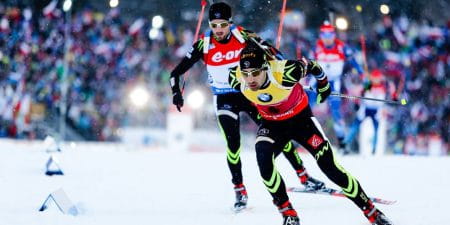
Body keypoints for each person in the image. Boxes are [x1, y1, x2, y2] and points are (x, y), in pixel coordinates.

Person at [169, 2, 324, 212]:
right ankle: (239, 190)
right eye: (214, 25)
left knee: (278, 132)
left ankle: (303, 175)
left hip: (248, 94)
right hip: (224, 99)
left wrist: (286, 74)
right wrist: (177, 93)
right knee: (233, 145)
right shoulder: (203, 45)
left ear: (230, 23)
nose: (219, 30)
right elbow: (175, 73)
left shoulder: (243, 37)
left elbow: (273, 53)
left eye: (223, 24)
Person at [228, 41, 393, 225]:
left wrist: (323, 85)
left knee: (330, 168)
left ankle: (371, 211)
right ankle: (289, 214)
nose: (250, 79)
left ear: (265, 68)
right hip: (273, 124)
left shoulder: (286, 72)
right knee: (264, 161)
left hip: (301, 121)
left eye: (256, 73)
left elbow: (314, 66)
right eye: (246, 74)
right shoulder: (236, 78)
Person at [311, 21, 365, 153]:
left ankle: (342, 143)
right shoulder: (317, 47)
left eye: (330, 34)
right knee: (306, 107)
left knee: (336, 111)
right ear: (321, 35)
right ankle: (296, 137)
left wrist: (361, 72)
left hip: (334, 83)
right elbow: (308, 63)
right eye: (324, 34)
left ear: (334, 35)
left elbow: (352, 61)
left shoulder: (342, 47)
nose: (327, 38)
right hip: (317, 81)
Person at [343, 69, 397, 154]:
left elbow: (392, 92)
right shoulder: (368, 85)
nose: (375, 80)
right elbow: (360, 94)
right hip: (366, 109)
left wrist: (394, 98)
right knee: (355, 127)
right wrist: (357, 104)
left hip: (377, 110)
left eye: (377, 78)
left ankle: (374, 149)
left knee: (376, 129)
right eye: (374, 78)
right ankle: (345, 144)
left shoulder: (384, 85)